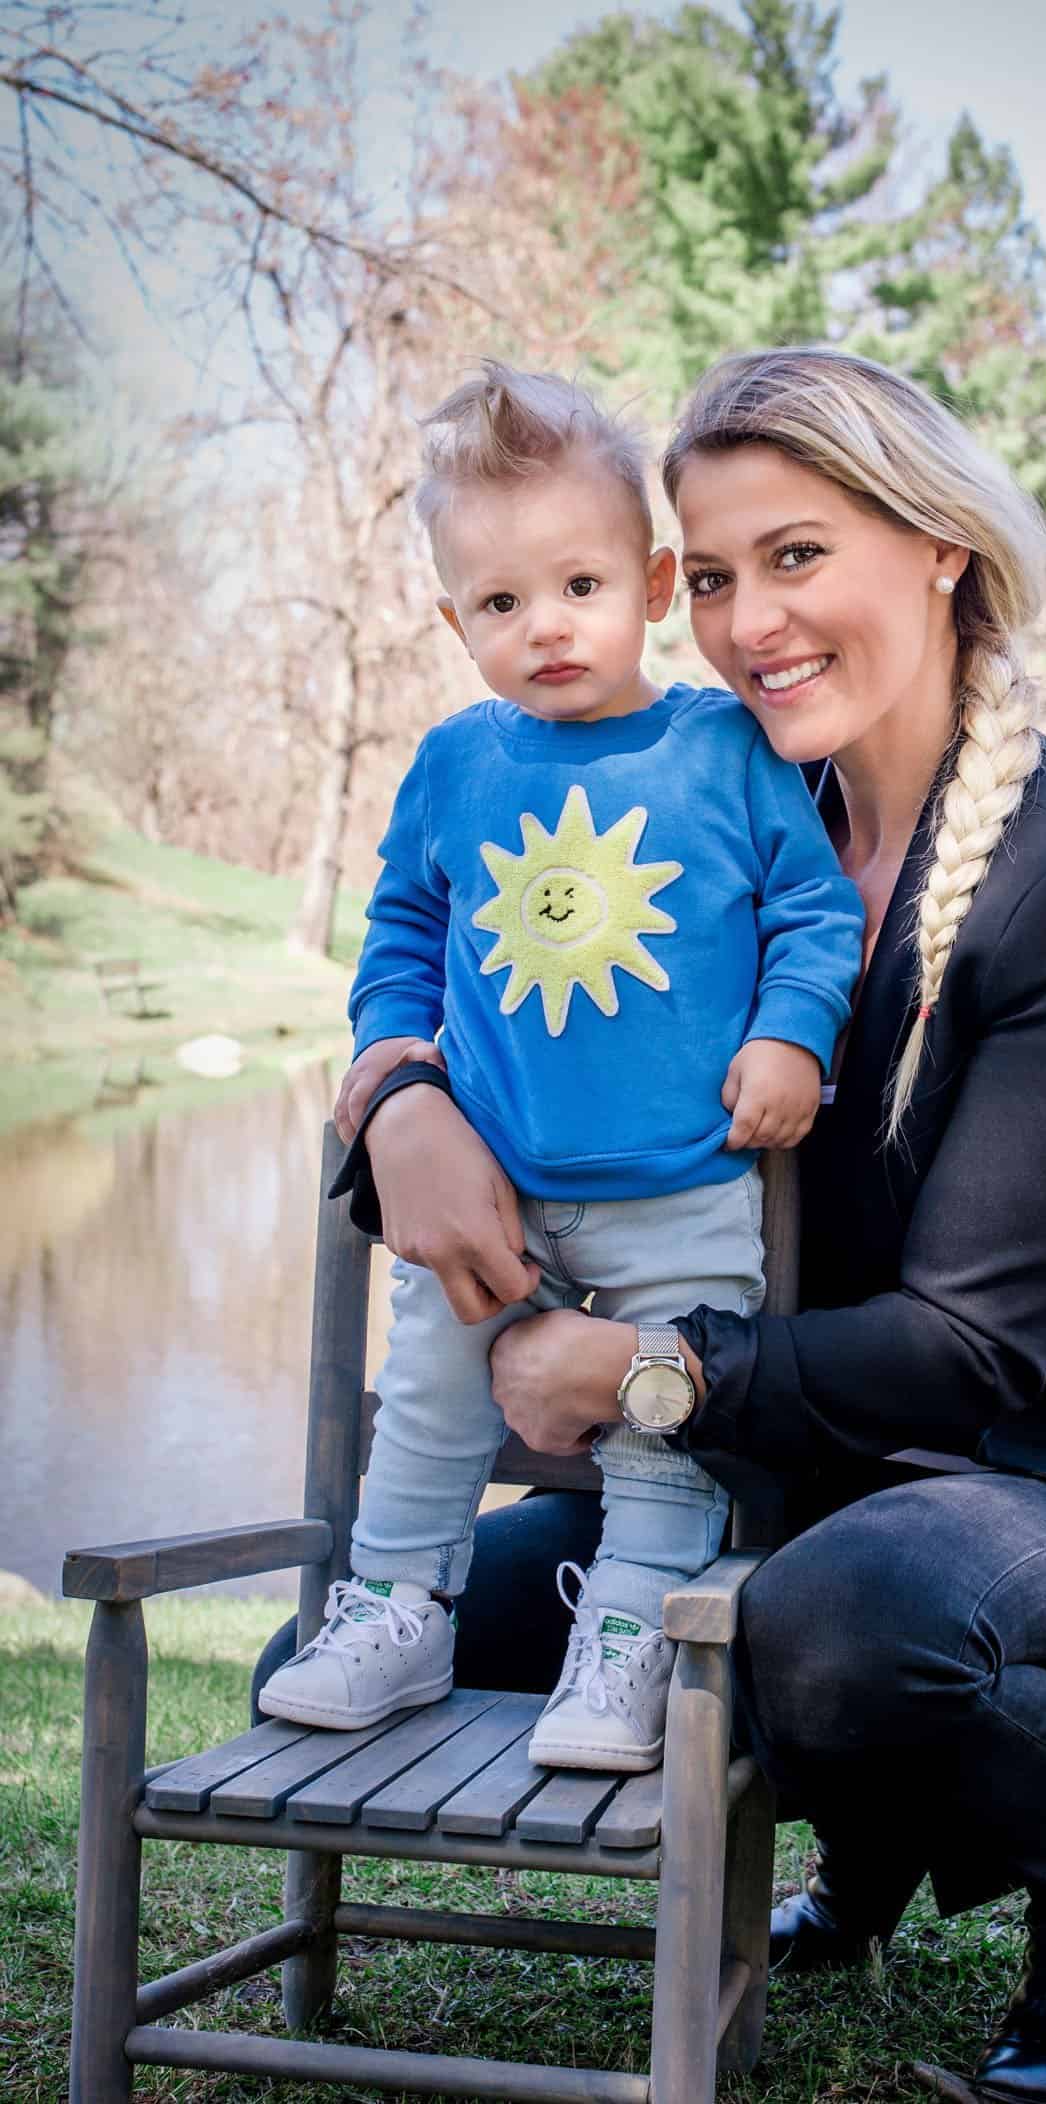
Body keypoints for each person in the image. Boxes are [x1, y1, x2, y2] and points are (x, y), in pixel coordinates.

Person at [256, 347, 1046, 2103]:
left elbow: (965, 1353)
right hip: (809, 1451)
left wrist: (633, 1373)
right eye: (708, 576)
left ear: (936, 546)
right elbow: (525, 1022)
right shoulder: (728, 796)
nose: (746, 620)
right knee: (351, 1647)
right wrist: (394, 1102)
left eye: (797, 556)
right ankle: (861, 1850)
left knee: (832, 1624)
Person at [257, 362, 863, 1773]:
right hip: (495, 1192)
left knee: (660, 1425)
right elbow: (402, 933)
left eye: (579, 586)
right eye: (501, 603)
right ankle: (401, 1607)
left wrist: (791, 1031)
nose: (545, 628)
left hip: (684, 1185)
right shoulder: (457, 766)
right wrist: (388, 1062)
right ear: (455, 617)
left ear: (654, 585)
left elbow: (814, 912)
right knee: (429, 1399)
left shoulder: (724, 748)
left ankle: (631, 1641)